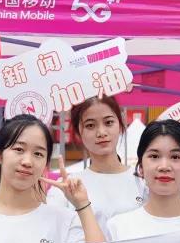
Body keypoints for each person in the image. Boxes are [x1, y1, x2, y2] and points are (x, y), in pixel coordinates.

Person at [0, 115, 106, 243]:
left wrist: (82, 204)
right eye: (19, 149)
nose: (27, 162)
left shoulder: (63, 221)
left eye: (38, 154)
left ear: (46, 163)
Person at [47, 96, 144, 233]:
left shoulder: (143, 181)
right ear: (78, 132)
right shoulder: (65, 188)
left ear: (121, 125)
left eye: (108, 122)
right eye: (90, 125)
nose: (101, 133)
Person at [108, 119, 180, 240]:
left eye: (175, 157)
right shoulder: (118, 228)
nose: (164, 166)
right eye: (154, 156)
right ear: (141, 167)